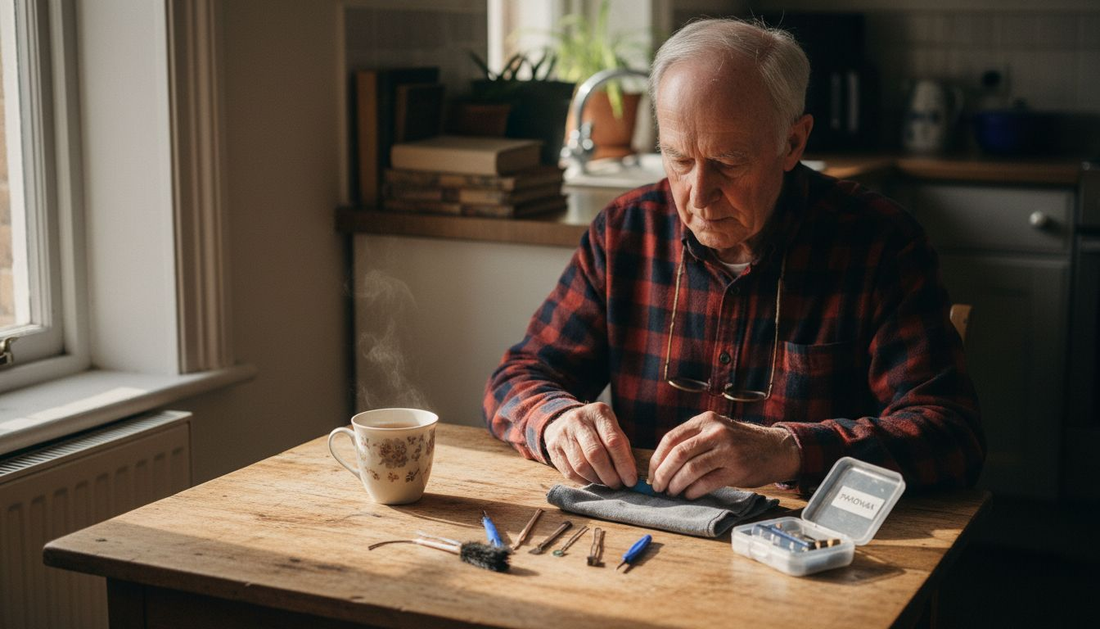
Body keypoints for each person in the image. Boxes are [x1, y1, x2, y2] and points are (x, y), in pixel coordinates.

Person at [482, 18, 985, 498]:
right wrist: (556, 421)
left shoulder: (880, 243)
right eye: (679, 160)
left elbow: (951, 434)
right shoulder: (625, 233)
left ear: (792, 142)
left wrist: (789, 450)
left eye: (727, 162)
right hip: (649, 538)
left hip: (810, 548)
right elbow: (518, 377)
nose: (699, 196)